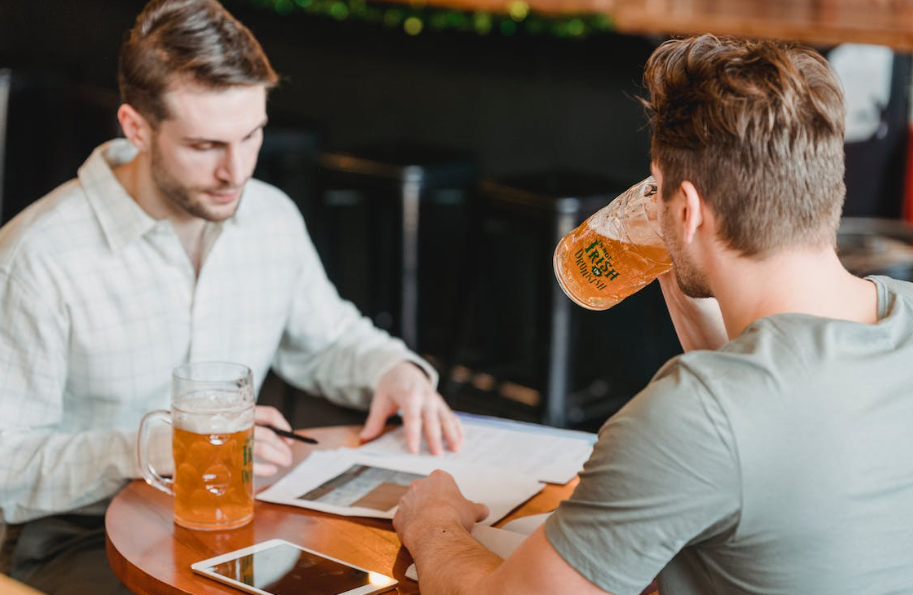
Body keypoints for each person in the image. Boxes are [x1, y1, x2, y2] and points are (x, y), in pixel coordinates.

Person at [393, 34, 913, 595]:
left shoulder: (694, 414)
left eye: (656, 189)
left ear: (687, 209)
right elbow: (771, 392)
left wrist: (432, 520)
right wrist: (674, 252)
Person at [0, 0, 462, 592]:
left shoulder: (269, 215)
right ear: (136, 127)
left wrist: (394, 370)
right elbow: (6, 467)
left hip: (241, 517)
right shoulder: (37, 258)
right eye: (205, 146)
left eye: (252, 136)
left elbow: (328, 339)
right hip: (76, 536)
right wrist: (150, 449)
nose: (237, 171)